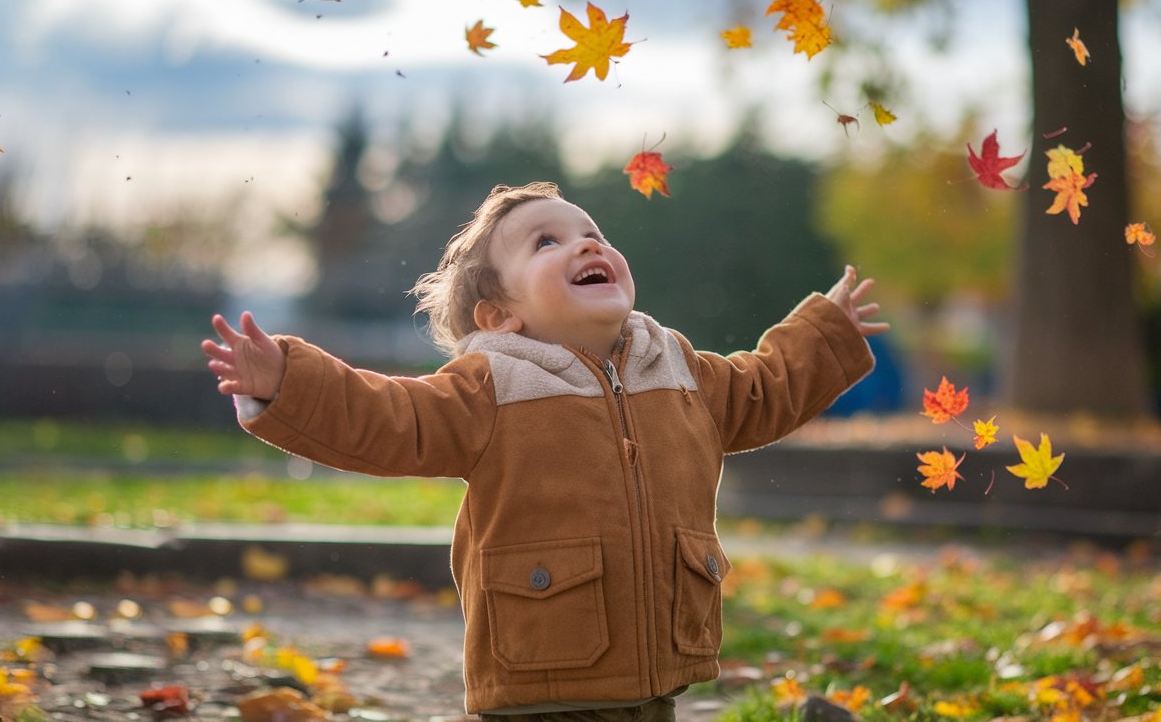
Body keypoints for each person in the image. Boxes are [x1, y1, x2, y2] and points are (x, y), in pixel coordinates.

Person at [201, 181, 888, 720]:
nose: (586, 245)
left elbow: (764, 388)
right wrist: (287, 382)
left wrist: (824, 333)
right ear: (501, 316)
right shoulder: (490, 385)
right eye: (547, 242)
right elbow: (388, 417)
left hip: (662, 666)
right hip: (541, 675)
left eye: (593, 233)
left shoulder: (675, 365)